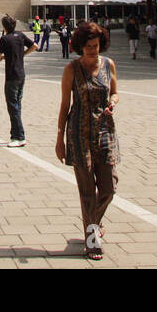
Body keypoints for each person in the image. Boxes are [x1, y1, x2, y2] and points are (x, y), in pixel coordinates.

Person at [56, 22, 120, 260]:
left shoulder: (109, 64)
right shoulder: (72, 69)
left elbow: (114, 91)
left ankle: (94, 222)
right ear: (80, 47)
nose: (93, 50)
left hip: (105, 132)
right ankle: (92, 240)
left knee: (109, 188)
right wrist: (59, 138)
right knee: (87, 192)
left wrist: (113, 102)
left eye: (96, 46)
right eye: (89, 47)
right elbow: (65, 105)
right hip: (78, 134)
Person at [0, 15, 38, 147]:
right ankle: (15, 134)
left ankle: (19, 137)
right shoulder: (20, 35)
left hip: (11, 76)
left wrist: (4, 57)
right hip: (21, 74)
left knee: (12, 106)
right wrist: (22, 54)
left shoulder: (4, 39)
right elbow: (35, 46)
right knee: (17, 105)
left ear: (4, 26)